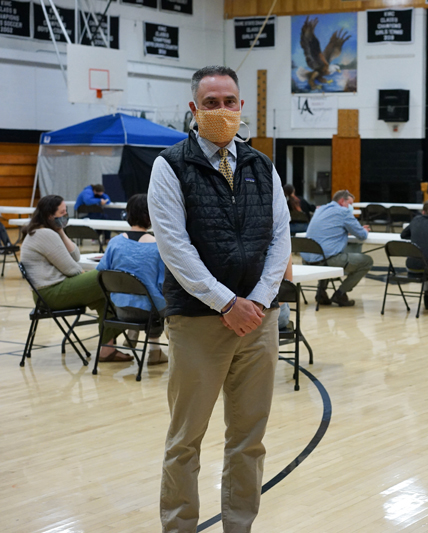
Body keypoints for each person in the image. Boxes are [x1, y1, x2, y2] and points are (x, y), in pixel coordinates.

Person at [148, 65, 290, 533]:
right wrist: (227, 303)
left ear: (241, 107)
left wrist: (260, 301)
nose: (222, 111)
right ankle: (179, 527)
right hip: (197, 322)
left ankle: (239, 526)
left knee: (249, 441)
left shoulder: (262, 165)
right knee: (185, 441)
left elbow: (280, 239)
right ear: (194, 109)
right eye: (211, 103)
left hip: (258, 321)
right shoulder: (169, 165)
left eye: (229, 101)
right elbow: (174, 247)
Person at [19, 195, 128, 362]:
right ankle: (130, 330)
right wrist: (83, 275)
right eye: (62, 212)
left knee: (104, 299)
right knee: (104, 275)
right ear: (50, 216)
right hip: (51, 292)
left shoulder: (45, 231)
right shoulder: (45, 234)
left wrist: (61, 230)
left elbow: (75, 255)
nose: (65, 215)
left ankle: (107, 349)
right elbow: (72, 269)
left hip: (47, 293)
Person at [96, 193, 168, 365]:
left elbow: (102, 272)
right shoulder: (158, 247)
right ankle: (154, 350)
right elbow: (163, 284)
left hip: (120, 308)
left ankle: (133, 336)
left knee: (142, 294)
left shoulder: (114, 242)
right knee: (162, 300)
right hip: (148, 312)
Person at [301, 189, 373, 307]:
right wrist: (363, 229)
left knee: (326, 253)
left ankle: (321, 293)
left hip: (307, 260)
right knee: (367, 261)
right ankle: (341, 293)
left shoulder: (320, 209)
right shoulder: (343, 212)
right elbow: (362, 235)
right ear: (341, 201)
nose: (350, 207)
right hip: (325, 260)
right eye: (349, 204)